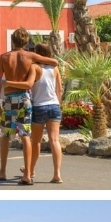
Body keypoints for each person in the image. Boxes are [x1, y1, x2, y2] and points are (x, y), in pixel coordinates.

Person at [0, 27, 58, 185]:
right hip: (25, 99)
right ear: (27, 42)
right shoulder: (31, 56)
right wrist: (39, 61)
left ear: (12, 40)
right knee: (25, 135)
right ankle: (27, 174)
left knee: (6, 135)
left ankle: (2, 171)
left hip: (9, 100)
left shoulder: (5, 57)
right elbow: (54, 62)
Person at [25, 42, 64, 184]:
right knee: (55, 141)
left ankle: (32, 170)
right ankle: (57, 174)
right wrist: (58, 104)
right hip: (54, 106)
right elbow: (59, 89)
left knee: (36, 142)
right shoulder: (55, 68)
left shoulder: (34, 67)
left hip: (39, 107)